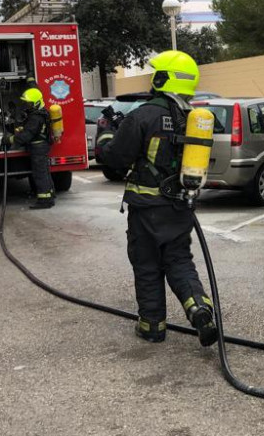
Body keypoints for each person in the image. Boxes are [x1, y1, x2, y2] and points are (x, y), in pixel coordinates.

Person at [97, 50, 219, 346]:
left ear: (163, 78)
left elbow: (115, 158)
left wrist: (105, 135)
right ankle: (199, 309)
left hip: (146, 208)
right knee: (178, 261)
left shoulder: (144, 115)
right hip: (179, 207)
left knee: (147, 263)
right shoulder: (192, 118)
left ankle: (152, 326)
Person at [9, 88, 55, 209]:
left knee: (40, 174)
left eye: (29, 103)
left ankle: (44, 201)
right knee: (44, 173)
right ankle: (50, 197)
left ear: (36, 103)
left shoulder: (36, 117)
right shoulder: (42, 113)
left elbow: (27, 135)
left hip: (38, 148)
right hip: (42, 146)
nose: (27, 105)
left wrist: (10, 140)